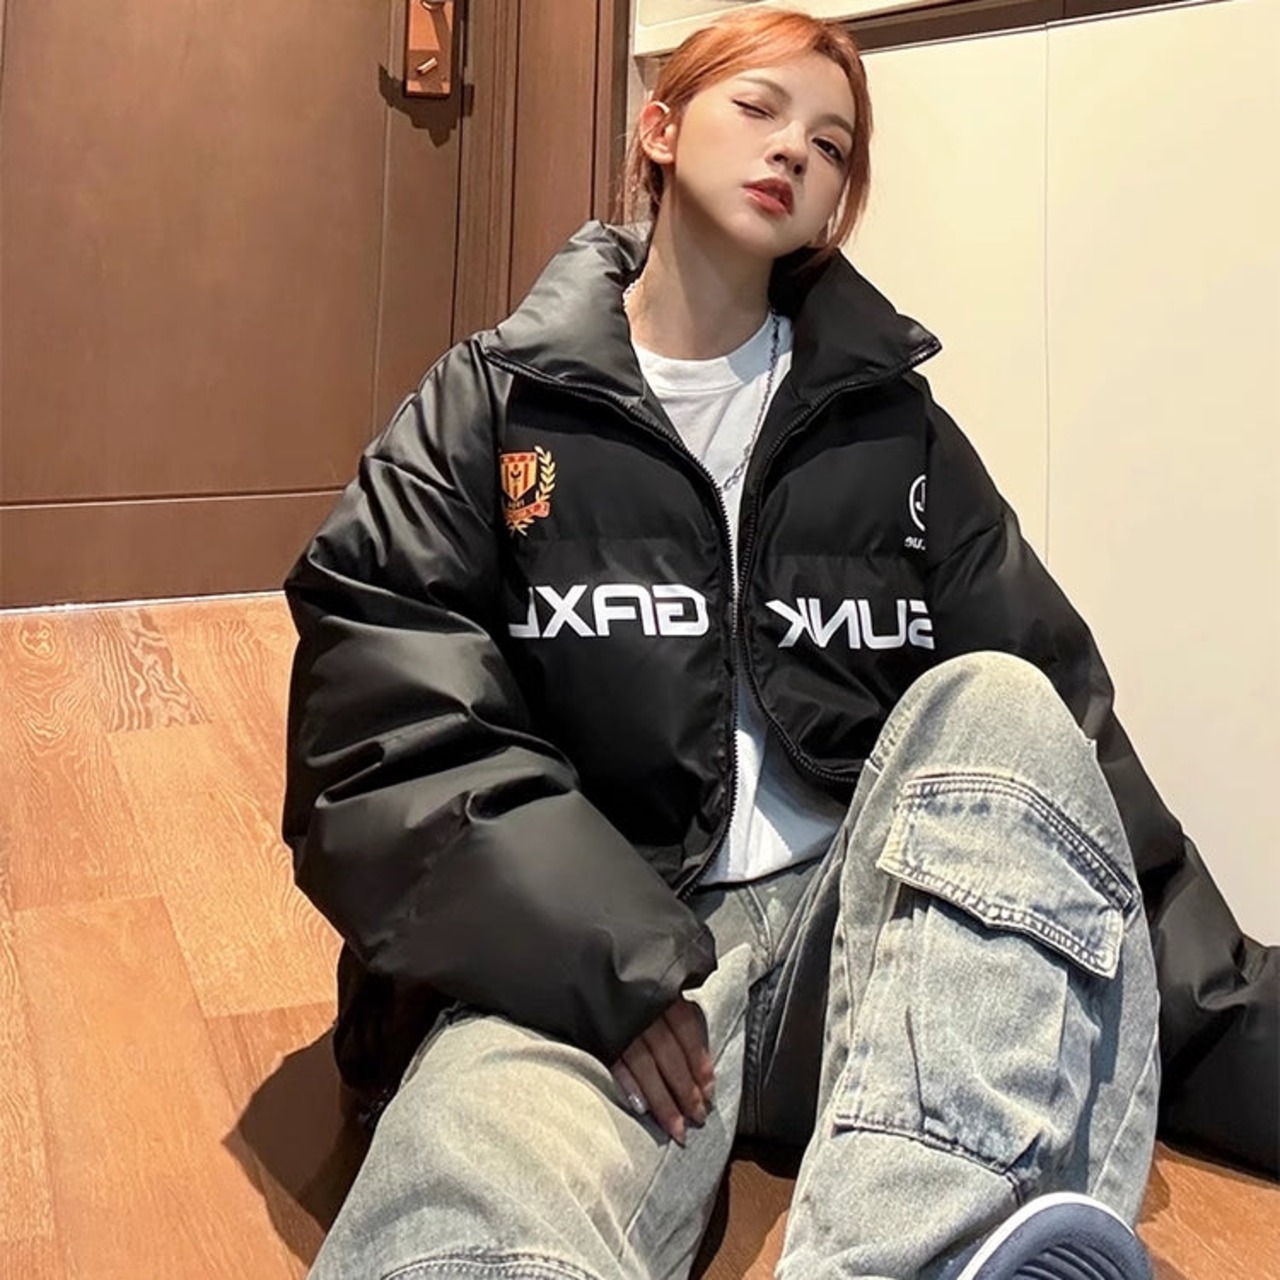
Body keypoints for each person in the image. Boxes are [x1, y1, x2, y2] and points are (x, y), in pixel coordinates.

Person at [281, 9, 1277, 1278]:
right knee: (473, 1186)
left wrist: (1235, 1026)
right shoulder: (490, 402)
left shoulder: (891, 428)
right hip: (607, 949)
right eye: (757, 108)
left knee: (997, 698)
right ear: (657, 128)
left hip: (855, 948)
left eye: (831, 143)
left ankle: (936, 1244)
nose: (794, 149)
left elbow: (1060, 755)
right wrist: (604, 956)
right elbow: (383, 717)